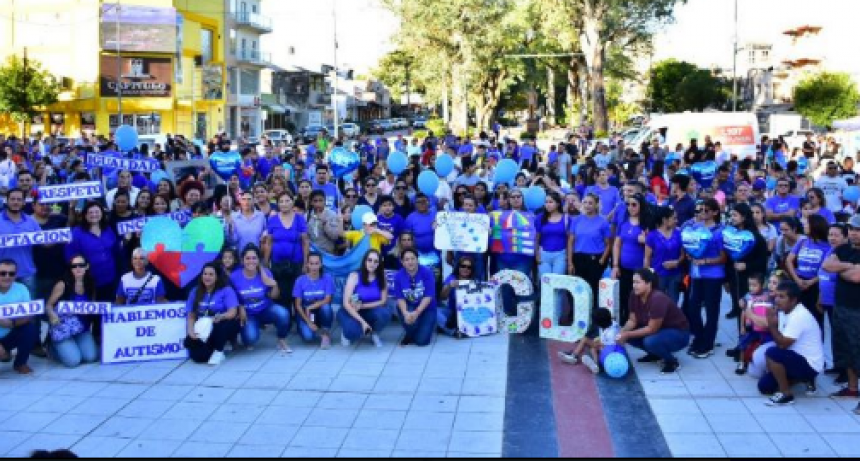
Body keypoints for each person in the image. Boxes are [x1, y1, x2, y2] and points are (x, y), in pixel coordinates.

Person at [757, 281, 824, 406]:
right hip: (794, 355)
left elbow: (782, 345)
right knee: (764, 387)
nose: (777, 300)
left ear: (793, 300)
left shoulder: (799, 316)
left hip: (810, 363)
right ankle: (800, 379)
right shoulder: (784, 311)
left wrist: (772, 324)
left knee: (772, 353)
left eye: (782, 297)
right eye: (776, 296)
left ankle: (786, 394)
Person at [616, 269, 691, 374]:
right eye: (633, 282)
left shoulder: (658, 299)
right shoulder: (634, 295)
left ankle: (671, 362)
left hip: (679, 333)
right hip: (659, 330)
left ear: (648, 284)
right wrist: (621, 332)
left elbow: (652, 329)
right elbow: (632, 320)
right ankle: (655, 354)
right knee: (627, 336)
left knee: (650, 341)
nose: (634, 285)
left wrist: (627, 334)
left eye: (638, 282)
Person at [821, 215, 860, 410]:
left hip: (857, 310)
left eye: (858, 229)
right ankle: (852, 388)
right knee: (847, 350)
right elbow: (827, 265)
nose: (854, 232)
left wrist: (843, 268)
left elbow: (856, 277)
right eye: (852, 228)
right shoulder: (844, 249)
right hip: (842, 307)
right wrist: (849, 266)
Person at [685, 198, 726, 358]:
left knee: (711, 309)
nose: (702, 213)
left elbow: (723, 258)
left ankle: (708, 343)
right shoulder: (694, 228)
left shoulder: (720, 231)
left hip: (713, 275)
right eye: (700, 210)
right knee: (692, 308)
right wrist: (690, 255)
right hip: (696, 274)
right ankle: (699, 336)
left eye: (706, 210)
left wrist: (705, 261)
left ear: (715, 212)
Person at [231, 245, 291, 353]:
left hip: (265, 309)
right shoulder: (235, 276)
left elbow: (274, 296)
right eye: (248, 258)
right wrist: (240, 307)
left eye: (254, 258)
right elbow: (231, 298)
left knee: (283, 313)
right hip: (248, 313)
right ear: (242, 260)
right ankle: (254, 327)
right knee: (250, 339)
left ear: (259, 260)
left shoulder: (266, 273)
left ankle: (281, 339)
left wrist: (274, 285)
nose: (251, 261)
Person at [44, 254, 99, 367]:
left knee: (91, 357)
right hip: (63, 328)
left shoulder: (91, 283)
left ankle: (72, 346)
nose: (78, 268)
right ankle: (53, 347)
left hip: (82, 328)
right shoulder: (63, 284)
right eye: (74, 266)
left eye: (81, 265)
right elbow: (48, 305)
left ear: (87, 266)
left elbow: (93, 306)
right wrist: (52, 315)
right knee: (74, 361)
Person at [184, 263, 241, 365]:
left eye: (211, 274)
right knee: (199, 357)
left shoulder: (226, 290)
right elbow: (191, 315)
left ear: (217, 277)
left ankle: (219, 351)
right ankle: (214, 347)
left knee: (222, 325)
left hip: (222, 322)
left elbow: (233, 312)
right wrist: (191, 331)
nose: (207, 277)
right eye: (205, 274)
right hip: (204, 327)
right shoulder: (195, 291)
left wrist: (221, 316)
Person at [65, 201, 120, 303]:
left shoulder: (108, 229)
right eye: (90, 212)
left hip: (110, 278)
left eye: (97, 212)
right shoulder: (76, 232)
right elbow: (70, 256)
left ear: (102, 214)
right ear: (85, 215)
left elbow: (115, 250)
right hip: (88, 281)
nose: (94, 215)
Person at [263, 192, 308, 310]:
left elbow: (305, 242)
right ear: (277, 204)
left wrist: (305, 262)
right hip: (277, 263)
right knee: (282, 294)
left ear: (292, 202)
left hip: (296, 263)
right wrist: (266, 262)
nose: (284, 204)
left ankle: (299, 318)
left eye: (287, 200)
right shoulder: (272, 219)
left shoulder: (299, 218)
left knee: (297, 293)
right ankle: (285, 320)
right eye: (281, 201)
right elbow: (269, 242)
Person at [611, 193, 652, 324]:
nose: (630, 207)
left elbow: (653, 246)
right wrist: (615, 265)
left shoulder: (646, 224)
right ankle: (625, 323)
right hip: (623, 268)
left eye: (634, 204)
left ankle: (638, 324)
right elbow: (617, 244)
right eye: (628, 204)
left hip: (639, 269)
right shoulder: (623, 223)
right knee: (624, 297)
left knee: (638, 298)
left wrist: (646, 241)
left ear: (641, 206)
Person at [567, 193, 612, 312]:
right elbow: (571, 241)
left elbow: (608, 244)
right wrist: (570, 262)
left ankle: (591, 316)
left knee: (592, 288)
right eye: (585, 202)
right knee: (578, 288)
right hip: (578, 258)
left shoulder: (603, 221)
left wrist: (602, 259)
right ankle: (577, 314)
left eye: (590, 203)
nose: (587, 205)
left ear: (596, 205)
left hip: (595, 259)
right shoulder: (576, 220)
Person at [786, 214, 830, 329]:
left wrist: (811, 282)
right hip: (799, 281)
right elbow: (789, 260)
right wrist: (797, 280)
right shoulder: (802, 241)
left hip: (815, 286)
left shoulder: (828, 246)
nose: (804, 225)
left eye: (807, 224)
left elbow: (826, 269)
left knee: (815, 319)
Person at [337, 249, 389, 347]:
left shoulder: (382, 277)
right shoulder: (354, 276)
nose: (372, 263)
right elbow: (346, 304)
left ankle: (373, 332)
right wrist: (363, 322)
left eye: (375, 261)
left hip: (368, 310)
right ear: (364, 261)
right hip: (350, 311)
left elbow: (383, 301)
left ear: (379, 264)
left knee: (384, 313)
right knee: (353, 333)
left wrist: (362, 306)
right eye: (369, 260)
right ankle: (347, 333)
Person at [0, 259, 39, 374]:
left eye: (11, 273)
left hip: (11, 331)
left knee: (30, 329)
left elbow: (29, 314)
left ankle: (20, 363)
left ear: (16, 275)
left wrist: (12, 323)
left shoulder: (22, 288)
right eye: (2, 273)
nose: (7, 276)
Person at [394, 249, 437, 347]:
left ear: (417, 259)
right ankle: (411, 331)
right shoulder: (398, 276)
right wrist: (405, 313)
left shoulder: (427, 273)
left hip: (427, 308)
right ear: (402, 262)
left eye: (413, 258)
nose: (410, 262)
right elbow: (400, 298)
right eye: (407, 259)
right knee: (400, 308)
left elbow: (428, 296)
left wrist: (417, 312)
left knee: (422, 342)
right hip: (409, 306)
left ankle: (417, 329)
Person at [0, 188, 40, 293]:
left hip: (26, 272)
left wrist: (62, 238)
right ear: (7, 201)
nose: (15, 202)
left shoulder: (32, 221)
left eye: (19, 199)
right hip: (2, 273)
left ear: (23, 202)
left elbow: (43, 241)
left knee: (29, 307)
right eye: (13, 199)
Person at [292, 252, 334, 348]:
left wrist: (310, 307)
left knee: (326, 308)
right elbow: (297, 305)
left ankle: (325, 334)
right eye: (311, 263)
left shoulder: (327, 278)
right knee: (309, 337)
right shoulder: (300, 280)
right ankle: (304, 327)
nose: (314, 267)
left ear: (321, 264)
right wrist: (309, 322)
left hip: (319, 311)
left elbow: (328, 299)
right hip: (306, 314)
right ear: (307, 264)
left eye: (316, 263)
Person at [558, 308, 618, 374]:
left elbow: (610, 346)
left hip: (608, 352)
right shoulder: (611, 323)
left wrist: (598, 343)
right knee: (592, 348)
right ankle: (596, 364)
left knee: (585, 340)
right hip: (605, 347)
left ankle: (574, 356)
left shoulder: (611, 333)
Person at [644, 206, 684, 303]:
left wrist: (677, 262)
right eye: (674, 218)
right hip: (658, 276)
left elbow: (683, 254)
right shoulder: (652, 236)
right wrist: (646, 276)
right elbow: (647, 258)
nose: (676, 221)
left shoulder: (679, 234)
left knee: (673, 303)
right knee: (657, 303)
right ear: (664, 220)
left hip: (675, 275)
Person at [305, 190, 343, 255]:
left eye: (321, 200)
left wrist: (325, 224)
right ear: (311, 202)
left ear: (325, 201)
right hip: (312, 253)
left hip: (328, 253)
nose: (318, 204)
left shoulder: (332, 215)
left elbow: (335, 236)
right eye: (315, 201)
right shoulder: (306, 216)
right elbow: (306, 237)